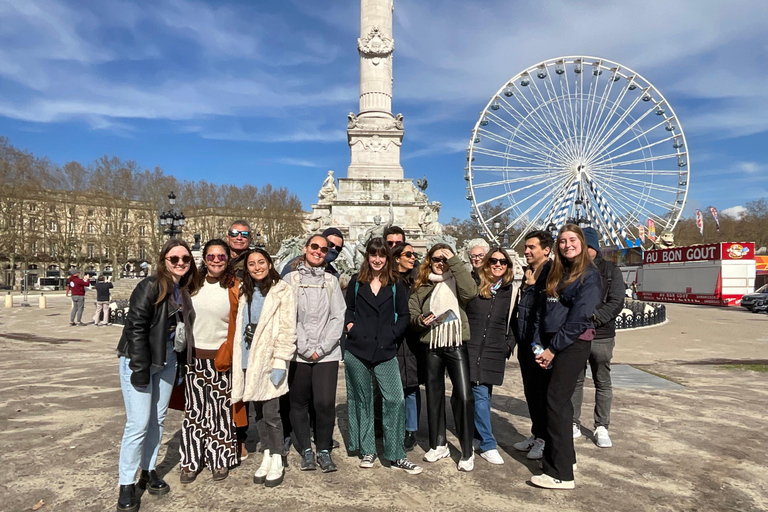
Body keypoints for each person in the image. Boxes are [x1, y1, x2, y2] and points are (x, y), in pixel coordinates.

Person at [115, 239, 197, 512]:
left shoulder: (182, 289)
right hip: (140, 361)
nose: (181, 263)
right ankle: (126, 484)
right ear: (163, 260)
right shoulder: (150, 286)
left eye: (185, 258)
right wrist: (139, 369)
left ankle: (148, 470)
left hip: (168, 360)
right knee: (138, 423)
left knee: (158, 420)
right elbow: (135, 327)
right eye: (174, 259)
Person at [215, 248, 296, 487]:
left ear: (270, 265)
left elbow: (287, 328)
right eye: (252, 263)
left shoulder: (283, 290)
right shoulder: (244, 292)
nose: (257, 267)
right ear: (247, 268)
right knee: (258, 412)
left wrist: (281, 359)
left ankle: (278, 457)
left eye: (262, 262)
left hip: (270, 359)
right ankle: (268, 453)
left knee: (272, 413)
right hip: (247, 359)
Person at [529, 224, 602, 490]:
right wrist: (539, 343)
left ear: (582, 243)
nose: (566, 244)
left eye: (572, 240)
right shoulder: (554, 271)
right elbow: (541, 310)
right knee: (558, 403)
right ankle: (565, 459)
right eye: (562, 240)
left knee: (556, 403)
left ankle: (559, 474)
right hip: (550, 342)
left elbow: (579, 319)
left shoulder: (590, 276)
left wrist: (552, 349)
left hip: (570, 345)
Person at [344, 238, 422, 474]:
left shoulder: (395, 282)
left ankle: (396, 453)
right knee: (362, 400)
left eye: (382, 255)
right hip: (358, 349)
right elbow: (349, 308)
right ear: (367, 256)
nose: (377, 259)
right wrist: (351, 327)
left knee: (395, 400)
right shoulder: (357, 281)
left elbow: (404, 314)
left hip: (386, 349)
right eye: (373, 255)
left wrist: (392, 335)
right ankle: (368, 450)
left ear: (387, 258)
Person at [409, 243, 478, 471]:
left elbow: (471, 292)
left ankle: (467, 451)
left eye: (444, 259)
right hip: (432, 343)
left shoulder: (457, 280)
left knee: (465, 395)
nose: (440, 263)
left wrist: (454, 261)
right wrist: (421, 321)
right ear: (429, 260)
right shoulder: (422, 283)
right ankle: (438, 443)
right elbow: (413, 313)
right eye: (436, 259)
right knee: (434, 394)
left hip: (455, 342)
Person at [179, 239, 240, 484]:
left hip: (221, 359)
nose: (216, 260)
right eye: (212, 256)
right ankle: (191, 461)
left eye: (221, 256)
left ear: (228, 260)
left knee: (221, 412)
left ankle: (220, 459)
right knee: (194, 413)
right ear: (204, 259)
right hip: (193, 358)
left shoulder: (235, 286)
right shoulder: (191, 284)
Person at [283, 234, 345, 473]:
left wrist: (321, 347)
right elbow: (289, 315)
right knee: (298, 402)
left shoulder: (331, 280)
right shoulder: (290, 279)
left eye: (323, 249)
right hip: (299, 350)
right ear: (305, 248)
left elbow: (338, 315)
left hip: (326, 353)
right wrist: (305, 347)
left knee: (325, 402)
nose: (318, 251)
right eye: (314, 247)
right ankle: (306, 450)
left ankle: (324, 448)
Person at [465, 247, 520, 466]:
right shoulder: (474, 286)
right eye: (493, 261)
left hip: (494, 350)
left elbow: (515, 322)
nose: (498, 265)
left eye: (503, 262)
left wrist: (508, 345)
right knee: (478, 394)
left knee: (484, 396)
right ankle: (488, 443)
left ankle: (476, 437)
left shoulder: (511, 291)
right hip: (471, 347)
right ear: (486, 263)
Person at [571, 227, 625, 448]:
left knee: (602, 380)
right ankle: (573, 421)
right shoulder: (572, 269)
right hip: (576, 334)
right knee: (575, 380)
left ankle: (601, 425)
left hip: (602, 334)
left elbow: (617, 301)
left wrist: (594, 319)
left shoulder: (611, 270)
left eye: (588, 246)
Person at [512, 230, 553, 461]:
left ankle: (545, 439)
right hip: (525, 342)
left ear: (546, 250)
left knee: (543, 394)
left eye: (531, 247)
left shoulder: (550, 273)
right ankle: (537, 434)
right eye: (526, 247)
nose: (526, 251)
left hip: (541, 345)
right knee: (531, 393)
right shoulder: (530, 273)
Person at [391, 242, 424, 451]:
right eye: (408, 254)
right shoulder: (388, 281)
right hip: (393, 338)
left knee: (411, 386)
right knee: (394, 387)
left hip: (412, 340)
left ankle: (411, 430)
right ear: (397, 258)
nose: (413, 258)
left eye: (414, 254)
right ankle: (395, 427)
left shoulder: (418, 281)